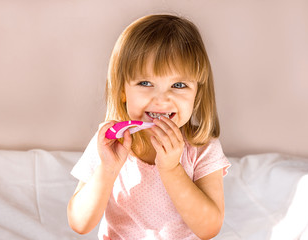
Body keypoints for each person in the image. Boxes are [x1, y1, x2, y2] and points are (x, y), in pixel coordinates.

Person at [67, 14, 231, 240]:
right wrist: (108, 169)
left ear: (197, 93)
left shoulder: (202, 147)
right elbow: (79, 223)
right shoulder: (109, 142)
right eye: (145, 83)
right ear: (123, 90)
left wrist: (172, 169)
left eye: (179, 85)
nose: (162, 99)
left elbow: (209, 228)